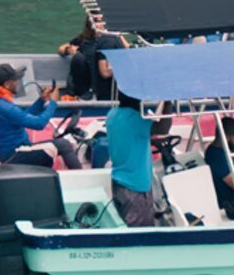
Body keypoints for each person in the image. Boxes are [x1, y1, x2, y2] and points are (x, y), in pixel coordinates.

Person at [0, 63, 83, 169]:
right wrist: (53, 103)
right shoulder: (6, 107)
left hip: (12, 151)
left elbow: (22, 117)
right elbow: (39, 124)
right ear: (7, 84)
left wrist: (41, 100)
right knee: (64, 145)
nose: (18, 83)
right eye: (15, 80)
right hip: (15, 154)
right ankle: (81, 178)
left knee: (58, 145)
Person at [103, 92, 159, 226]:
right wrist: (168, 101)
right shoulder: (136, 120)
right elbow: (162, 127)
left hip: (119, 182)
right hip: (136, 187)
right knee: (141, 237)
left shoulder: (112, 114)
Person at [56, 17, 124, 100]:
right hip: (86, 79)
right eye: (96, 21)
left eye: (101, 21)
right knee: (78, 58)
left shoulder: (110, 40)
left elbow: (126, 50)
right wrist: (70, 50)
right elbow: (61, 49)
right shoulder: (83, 39)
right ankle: (81, 94)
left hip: (103, 80)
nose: (100, 25)